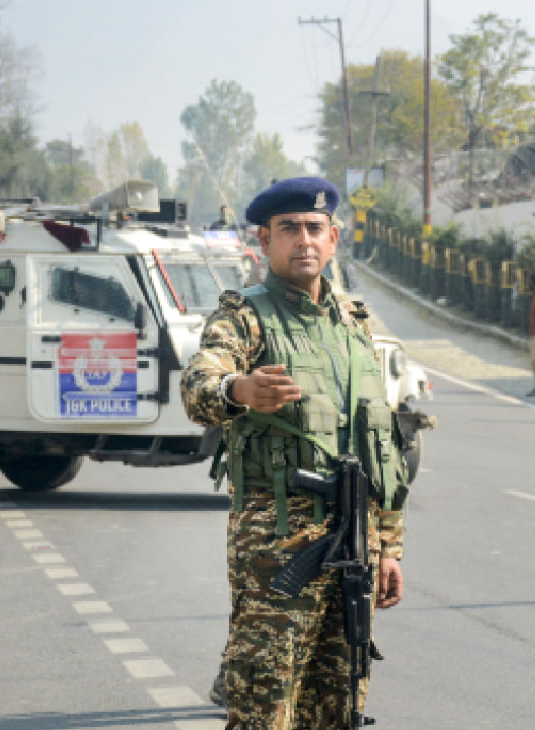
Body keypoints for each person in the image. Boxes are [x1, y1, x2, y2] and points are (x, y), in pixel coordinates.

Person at [181, 177, 407, 729]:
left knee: (339, 703)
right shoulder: (246, 317)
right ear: (265, 239)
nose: (303, 240)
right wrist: (239, 390)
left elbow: (378, 446)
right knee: (266, 706)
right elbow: (196, 386)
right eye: (289, 229)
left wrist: (390, 544)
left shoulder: (353, 324)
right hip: (278, 551)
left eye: (314, 228)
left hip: (355, 546)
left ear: (333, 239)